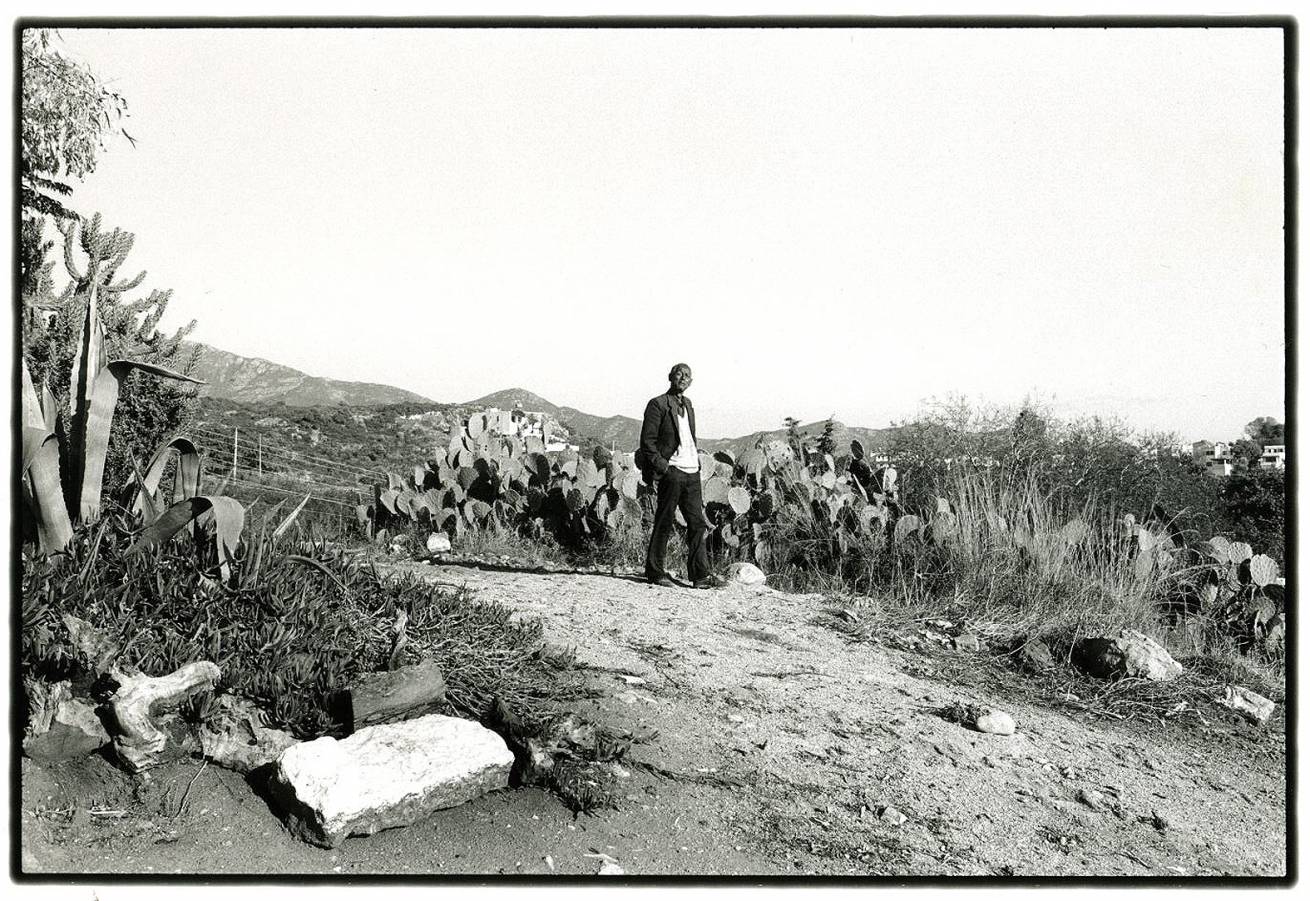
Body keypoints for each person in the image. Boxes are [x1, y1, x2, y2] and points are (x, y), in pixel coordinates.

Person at [636, 363, 724, 589]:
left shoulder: (689, 404)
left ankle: (700, 576)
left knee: (697, 523)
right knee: (664, 521)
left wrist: (696, 462)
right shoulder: (658, 404)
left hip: (692, 471)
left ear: (690, 382)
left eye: (687, 375)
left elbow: (689, 437)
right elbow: (647, 442)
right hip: (673, 471)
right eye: (679, 373)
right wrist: (663, 467)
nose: (683, 378)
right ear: (670, 377)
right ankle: (655, 572)